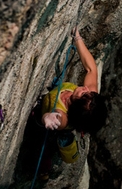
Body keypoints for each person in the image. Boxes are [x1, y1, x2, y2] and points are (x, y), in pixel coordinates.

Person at [31, 26, 107, 180]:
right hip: (58, 98)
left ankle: (43, 170)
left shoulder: (63, 117)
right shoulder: (90, 97)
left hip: (41, 116)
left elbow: (57, 118)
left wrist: (48, 118)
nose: (85, 88)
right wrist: (77, 38)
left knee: (39, 143)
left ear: (74, 106)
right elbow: (91, 69)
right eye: (89, 92)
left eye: (83, 94)